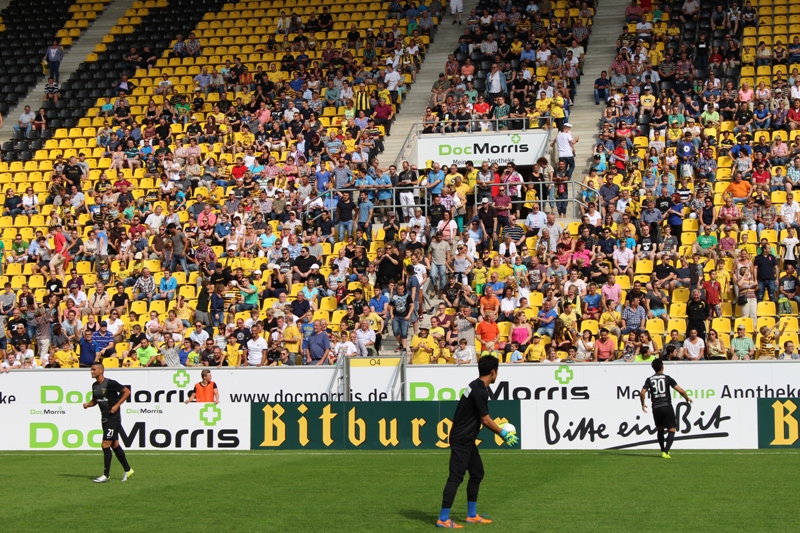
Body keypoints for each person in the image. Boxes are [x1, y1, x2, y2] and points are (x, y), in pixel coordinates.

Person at [436, 355, 517, 529]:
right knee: (455, 478)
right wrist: (503, 433)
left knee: (477, 473)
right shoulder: (480, 391)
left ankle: (471, 515)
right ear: (493, 372)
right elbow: (485, 419)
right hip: (462, 439)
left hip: (466, 438)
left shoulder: (475, 385)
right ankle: (443, 519)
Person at [81, 362, 134, 483]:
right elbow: (95, 400)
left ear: (101, 371)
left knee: (105, 445)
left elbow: (127, 392)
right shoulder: (95, 386)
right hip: (104, 419)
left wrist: (117, 405)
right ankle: (128, 469)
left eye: (94, 369)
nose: (91, 372)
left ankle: (106, 475)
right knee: (114, 445)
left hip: (113, 418)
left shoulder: (110, 383)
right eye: (91, 370)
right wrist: (88, 404)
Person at [640, 358, 693, 459]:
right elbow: (680, 390)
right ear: (662, 367)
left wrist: (643, 404)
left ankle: (662, 450)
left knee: (660, 429)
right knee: (672, 429)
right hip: (666, 406)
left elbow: (642, 392)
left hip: (656, 407)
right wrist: (687, 398)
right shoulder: (667, 378)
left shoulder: (649, 379)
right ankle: (666, 451)